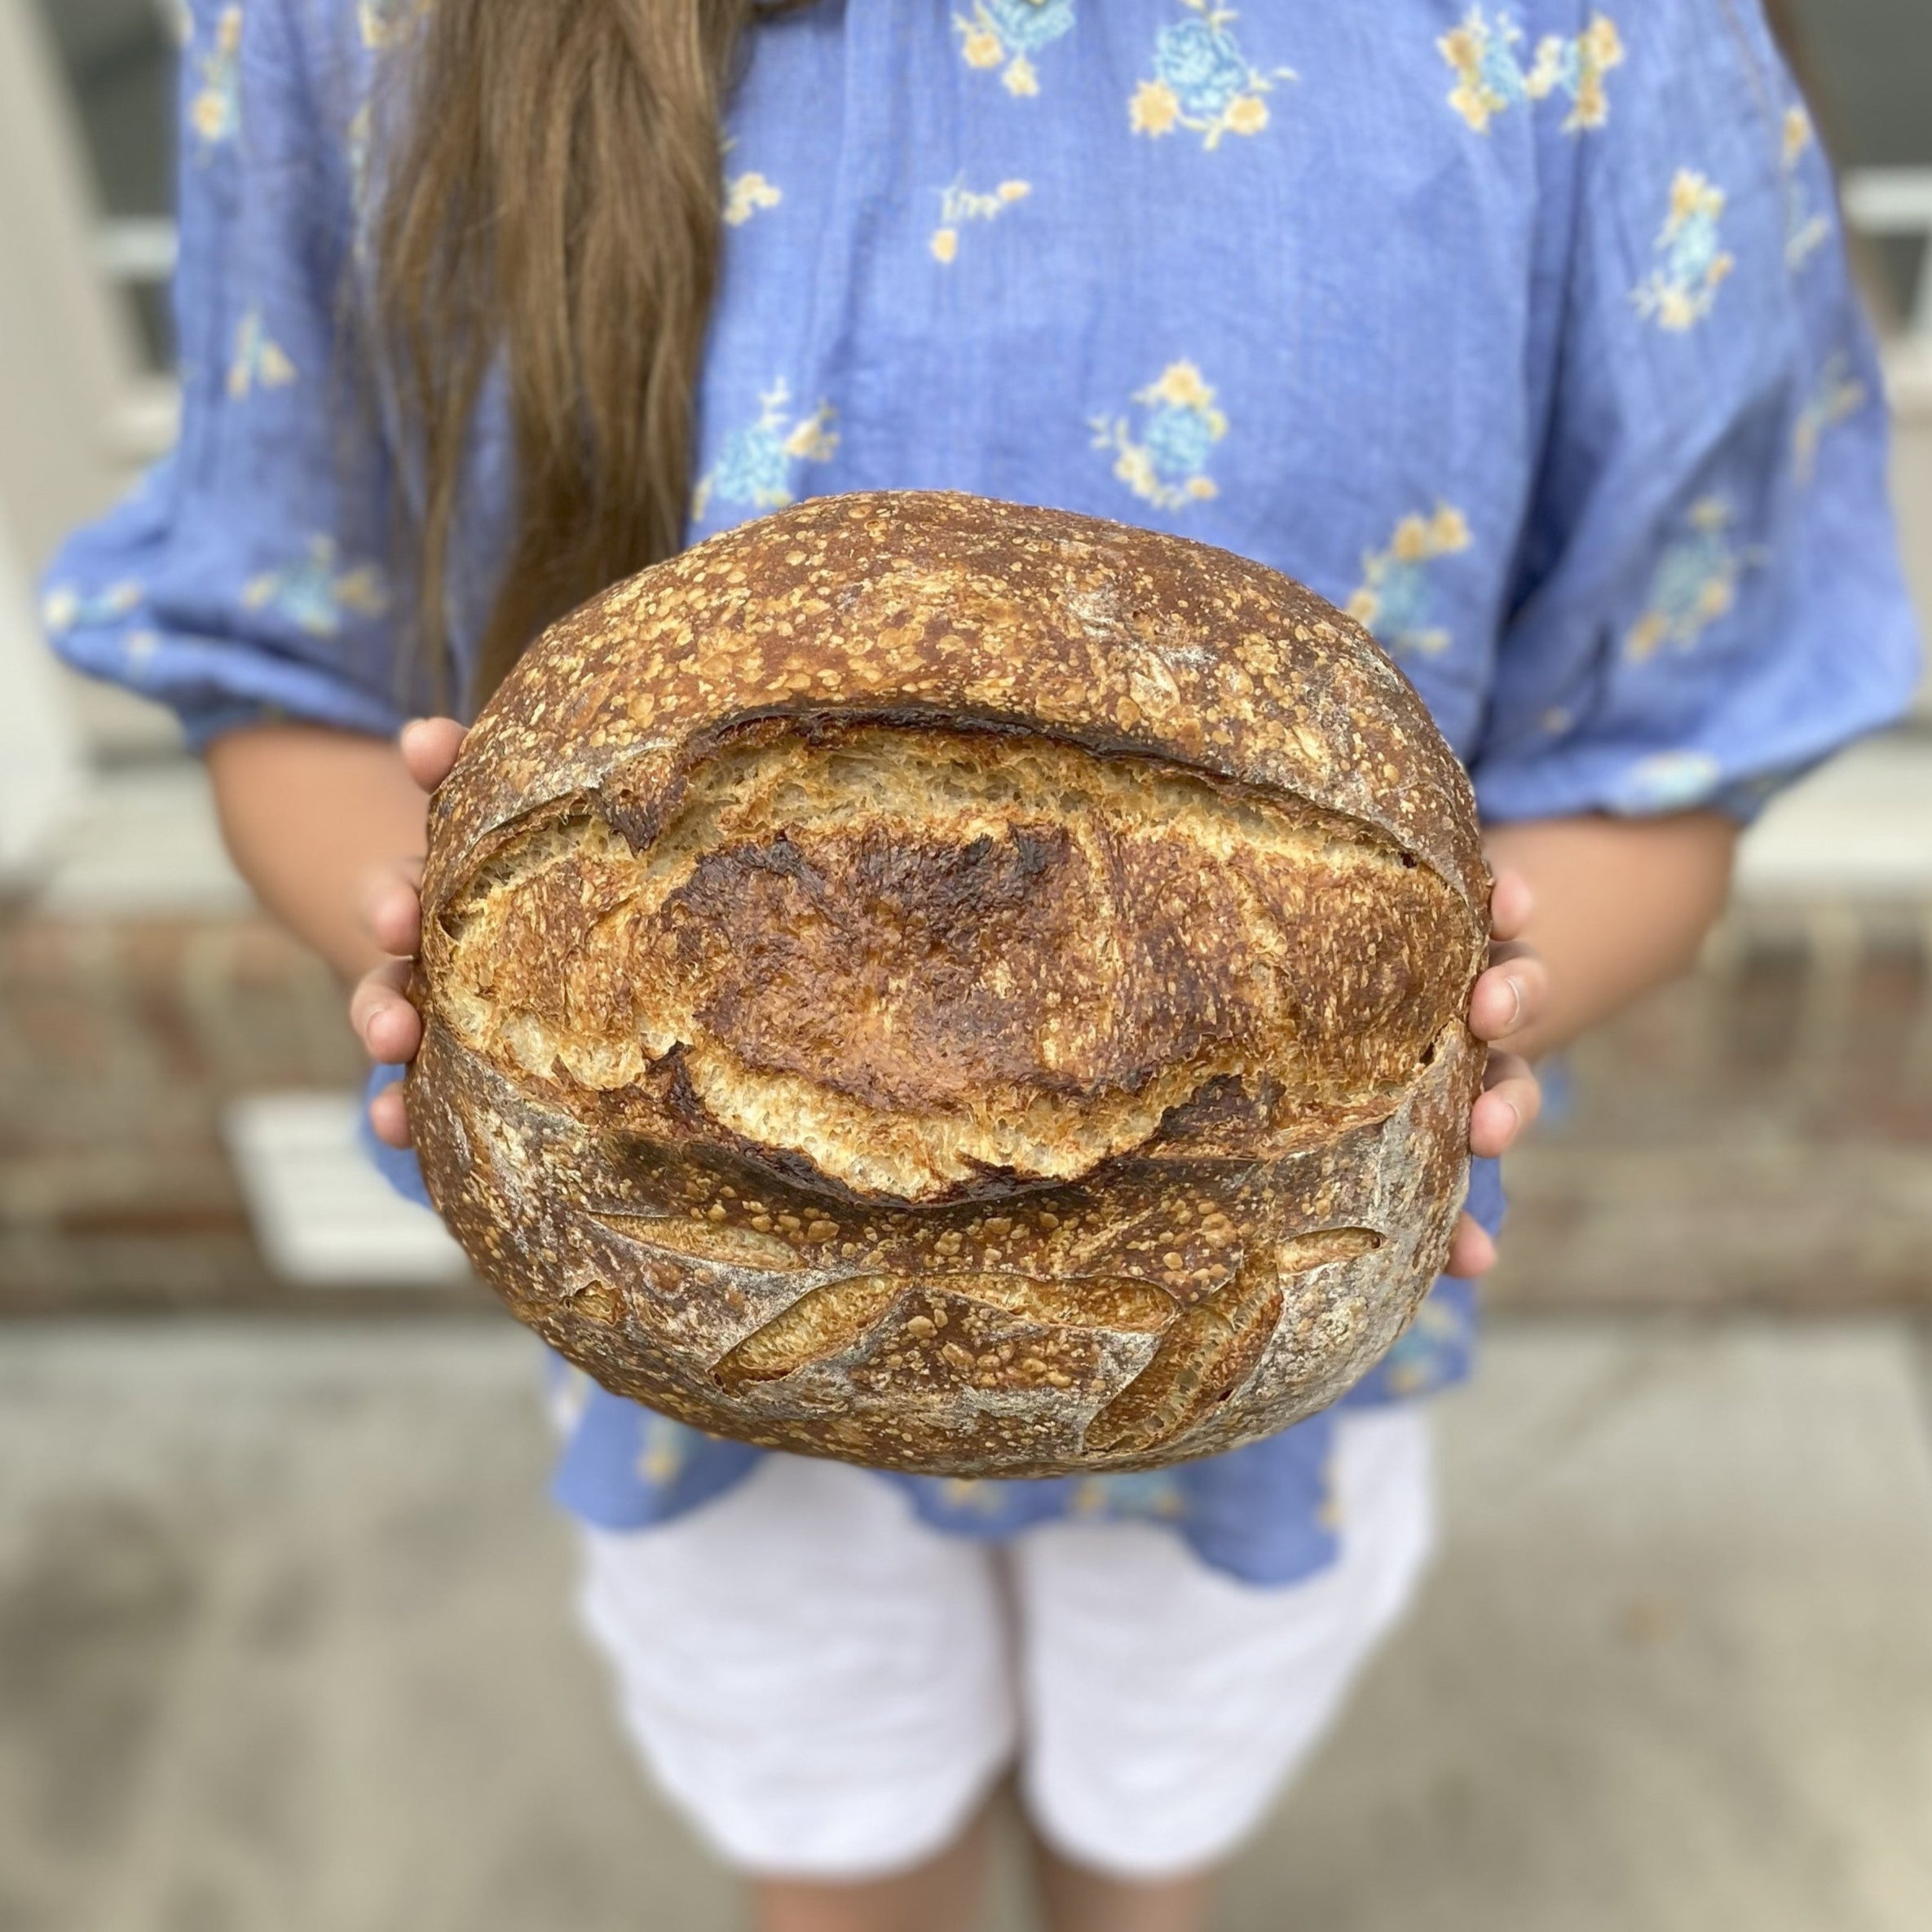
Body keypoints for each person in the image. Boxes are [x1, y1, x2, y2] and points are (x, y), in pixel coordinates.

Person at [43, 3, 1919, 1927]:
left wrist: (1478, 1000)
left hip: (1252, 1310)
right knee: (844, 1855)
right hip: (679, 1302)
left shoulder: (1582, 38)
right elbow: (277, 663)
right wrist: (418, 917)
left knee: (1148, 1825)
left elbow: (1677, 751)